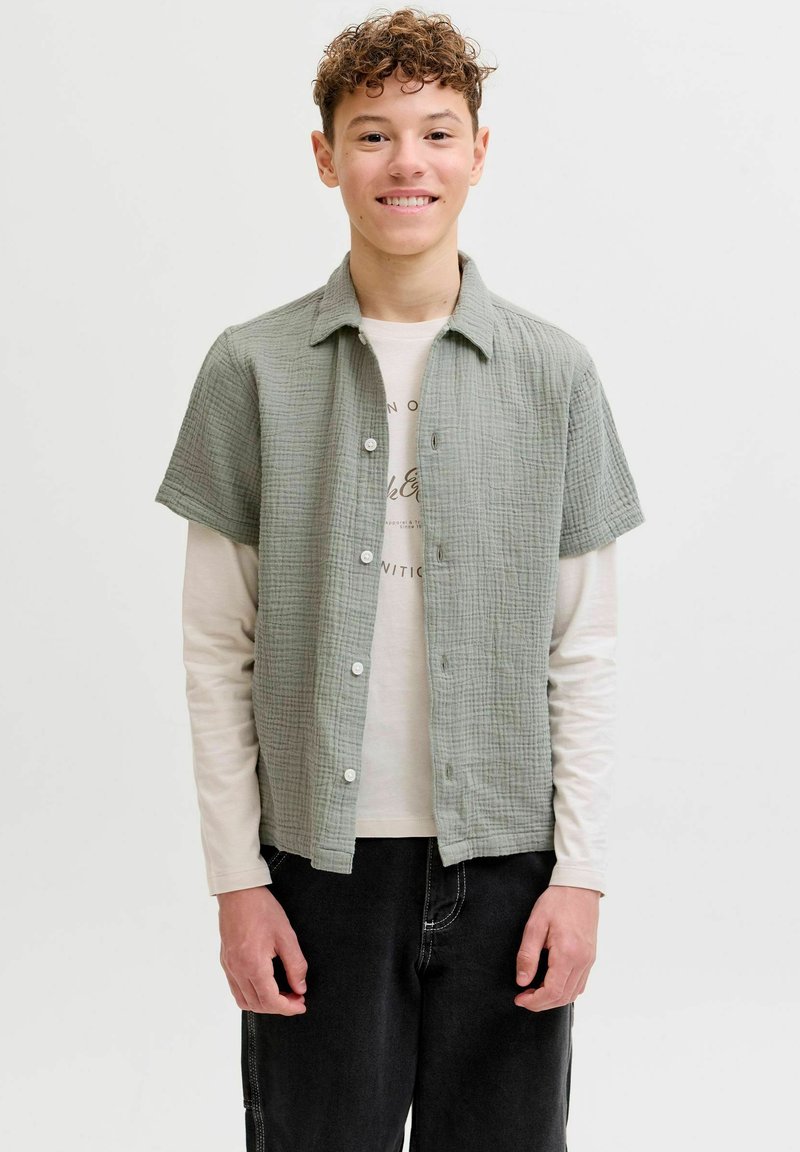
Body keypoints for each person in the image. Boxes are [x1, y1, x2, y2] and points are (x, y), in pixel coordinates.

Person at [154, 8, 645, 1150]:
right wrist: (238, 881)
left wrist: (580, 876)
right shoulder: (251, 369)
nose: (406, 162)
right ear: (324, 156)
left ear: (479, 151)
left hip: (510, 871)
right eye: (372, 134)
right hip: (314, 873)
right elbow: (216, 648)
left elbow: (583, 649)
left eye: (436, 131)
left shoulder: (555, 375)